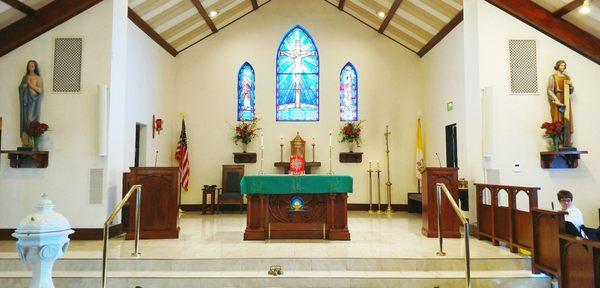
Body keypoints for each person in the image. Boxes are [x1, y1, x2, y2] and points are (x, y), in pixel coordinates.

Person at [547, 60, 574, 148]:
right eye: (562, 65)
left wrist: (571, 86)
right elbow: (549, 90)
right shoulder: (553, 77)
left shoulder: (567, 77)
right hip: (558, 99)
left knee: (567, 119)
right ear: (558, 66)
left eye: (564, 66)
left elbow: (571, 91)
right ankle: (558, 142)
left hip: (566, 99)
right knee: (557, 119)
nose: (563, 67)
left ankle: (567, 142)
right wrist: (556, 100)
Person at [19, 60, 44, 147]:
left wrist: (30, 85)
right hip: (25, 103)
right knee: (25, 121)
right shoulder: (25, 77)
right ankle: (25, 142)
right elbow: (21, 88)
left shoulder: (38, 78)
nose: (31, 68)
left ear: (35, 67)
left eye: (32, 66)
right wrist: (24, 87)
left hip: (34, 102)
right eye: (29, 66)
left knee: (31, 120)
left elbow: (40, 91)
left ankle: (32, 141)